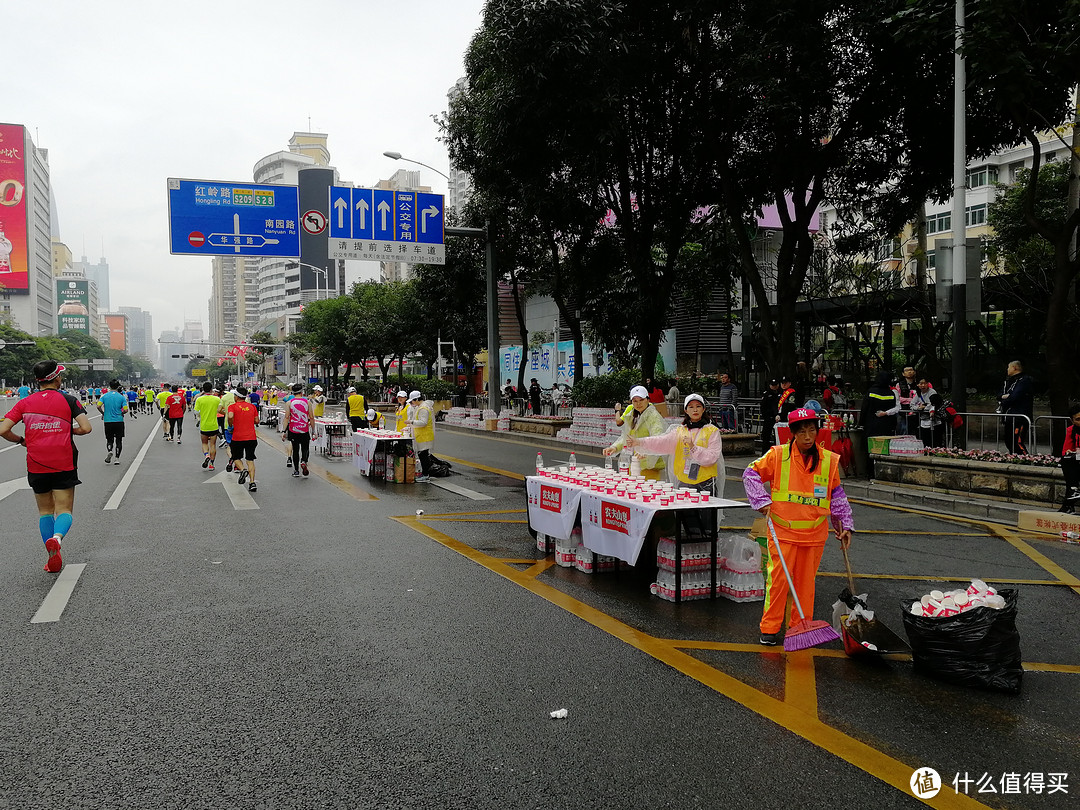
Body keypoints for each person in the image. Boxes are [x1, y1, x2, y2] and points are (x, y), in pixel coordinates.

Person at [742, 408, 854, 646]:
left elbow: (837, 496)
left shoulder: (828, 461)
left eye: (812, 430)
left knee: (806, 584)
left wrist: (844, 526)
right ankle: (770, 628)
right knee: (779, 580)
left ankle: (799, 627)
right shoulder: (777, 455)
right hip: (782, 531)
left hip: (814, 533)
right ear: (792, 433)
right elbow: (750, 473)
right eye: (801, 431)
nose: (807, 436)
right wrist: (761, 501)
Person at [0, 361, 92, 573]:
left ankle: (51, 555)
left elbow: (3, 429)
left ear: (38, 380)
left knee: (44, 511)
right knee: (64, 509)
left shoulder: (24, 403)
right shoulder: (69, 400)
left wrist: (20, 440)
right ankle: (57, 540)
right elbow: (86, 428)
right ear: (57, 378)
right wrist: (69, 431)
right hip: (64, 462)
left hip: (36, 463)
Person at [627, 393, 724, 536]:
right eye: (691, 407)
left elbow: (712, 457)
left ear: (704, 409)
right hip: (684, 482)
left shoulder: (712, 431)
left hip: (706, 482)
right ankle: (689, 553)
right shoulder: (679, 431)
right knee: (687, 522)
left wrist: (693, 448)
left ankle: (707, 552)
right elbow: (662, 442)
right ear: (686, 410)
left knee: (706, 524)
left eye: (698, 406)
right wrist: (640, 442)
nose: (695, 410)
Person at [603, 385, 667, 480]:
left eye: (641, 400)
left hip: (652, 466)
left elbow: (658, 437)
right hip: (635, 462)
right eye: (635, 401)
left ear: (648, 400)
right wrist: (614, 447)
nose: (638, 404)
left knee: (647, 492)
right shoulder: (632, 416)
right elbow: (626, 437)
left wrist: (646, 451)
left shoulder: (653, 416)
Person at [226, 385, 259, 492]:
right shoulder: (252, 407)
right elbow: (257, 421)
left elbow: (230, 416)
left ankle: (243, 470)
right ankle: (252, 482)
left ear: (237, 396)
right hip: (251, 437)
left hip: (238, 437)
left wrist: (231, 424)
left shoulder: (233, 406)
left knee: (236, 457)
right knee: (250, 460)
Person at [998, 360, 1033, 455]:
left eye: (1009, 367)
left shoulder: (1024, 380)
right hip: (1008, 417)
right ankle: (1014, 458)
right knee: (1008, 441)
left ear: (1014, 368)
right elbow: (999, 395)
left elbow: (1015, 397)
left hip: (1019, 417)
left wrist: (1006, 397)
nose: (1007, 370)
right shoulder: (1008, 381)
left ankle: (1026, 460)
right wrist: (1004, 397)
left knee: (1017, 442)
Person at [282, 382, 314, 477]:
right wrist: (314, 431)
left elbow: (287, 417)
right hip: (304, 429)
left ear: (293, 392)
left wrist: (284, 431)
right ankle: (304, 461)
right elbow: (311, 417)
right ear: (302, 392)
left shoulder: (289, 403)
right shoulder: (307, 402)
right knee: (305, 448)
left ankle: (296, 471)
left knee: (295, 450)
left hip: (293, 430)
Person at [96, 379, 128, 465]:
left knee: (109, 439)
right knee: (119, 440)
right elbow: (126, 410)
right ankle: (117, 459)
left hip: (108, 421)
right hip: (119, 421)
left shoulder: (104, 396)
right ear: (118, 386)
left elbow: (98, 406)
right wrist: (121, 413)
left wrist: (103, 413)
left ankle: (110, 450)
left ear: (109, 386)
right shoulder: (121, 397)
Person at [406, 390, 435, 482]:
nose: (412, 403)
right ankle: (424, 473)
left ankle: (426, 475)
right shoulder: (420, 407)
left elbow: (423, 422)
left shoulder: (423, 408)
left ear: (417, 399)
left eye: (412, 401)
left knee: (423, 455)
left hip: (424, 436)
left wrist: (411, 422)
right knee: (422, 455)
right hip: (421, 435)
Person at [860, 371, 900, 438]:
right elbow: (895, 407)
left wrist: (861, 423)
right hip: (887, 425)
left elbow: (864, 408)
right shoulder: (891, 393)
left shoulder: (871, 392)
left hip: (871, 424)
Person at [193, 381, 222, 470]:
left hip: (204, 426)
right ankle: (212, 464)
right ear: (211, 389)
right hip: (214, 426)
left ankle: (206, 455)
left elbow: (196, 412)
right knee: (212, 445)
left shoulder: (199, 399)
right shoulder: (217, 399)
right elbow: (220, 410)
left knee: (204, 443)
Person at [1057, 404, 1080, 513]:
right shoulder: (1071, 430)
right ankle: (1073, 491)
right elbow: (1065, 450)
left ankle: (1067, 506)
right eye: (1078, 419)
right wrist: (1070, 452)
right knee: (1066, 459)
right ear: (1072, 420)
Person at [910, 378, 945, 449]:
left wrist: (924, 408)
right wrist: (918, 408)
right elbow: (912, 404)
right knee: (925, 441)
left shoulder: (932, 392)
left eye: (925, 383)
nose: (923, 385)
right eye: (921, 383)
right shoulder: (918, 393)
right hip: (923, 421)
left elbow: (932, 404)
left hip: (934, 421)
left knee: (935, 441)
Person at [896, 366, 918, 434]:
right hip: (903, 411)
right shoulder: (899, 385)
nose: (909, 372)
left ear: (914, 372)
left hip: (917, 411)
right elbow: (898, 398)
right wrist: (911, 400)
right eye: (907, 370)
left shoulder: (919, 384)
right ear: (903, 373)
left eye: (911, 370)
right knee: (904, 429)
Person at [759, 378, 780, 450]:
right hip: (769, 417)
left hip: (777, 417)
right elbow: (763, 406)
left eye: (775, 385)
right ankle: (765, 452)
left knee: (776, 436)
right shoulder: (766, 394)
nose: (774, 387)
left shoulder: (780, 394)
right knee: (766, 435)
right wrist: (766, 417)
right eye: (772, 385)